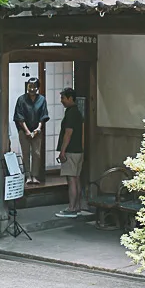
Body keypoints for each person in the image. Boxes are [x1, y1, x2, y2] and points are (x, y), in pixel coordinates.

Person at [55, 87, 85, 218]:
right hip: (79, 151)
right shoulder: (77, 112)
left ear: (70, 98)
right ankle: (77, 206)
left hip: (71, 151)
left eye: (63, 98)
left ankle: (72, 208)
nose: (61, 100)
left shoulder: (71, 113)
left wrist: (62, 151)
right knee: (76, 179)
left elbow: (68, 133)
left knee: (71, 180)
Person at [13, 77, 49, 185]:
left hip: (37, 132)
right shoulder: (21, 99)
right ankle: (27, 176)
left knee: (36, 154)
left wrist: (38, 128)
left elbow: (43, 115)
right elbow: (19, 117)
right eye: (30, 86)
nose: (31, 89)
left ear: (37, 88)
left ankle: (34, 176)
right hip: (23, 131)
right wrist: (27, 131)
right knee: (25, 153)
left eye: (34, 87)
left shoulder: (42, 99)